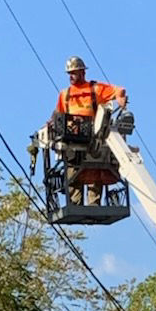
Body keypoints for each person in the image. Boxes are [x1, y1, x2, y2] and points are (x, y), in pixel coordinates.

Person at [53, 55, 127, 205]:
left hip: (92, 138)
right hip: (73, 138)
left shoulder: (95, 89)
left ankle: (94, 203)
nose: (71, 76)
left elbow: (119, 90)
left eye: (74, 72)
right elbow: (57, 115)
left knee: (95, 170)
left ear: (82, 72)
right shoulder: (65, 94)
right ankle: (75, 203)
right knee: (73, 172)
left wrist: (120, 97)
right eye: (69, 74)